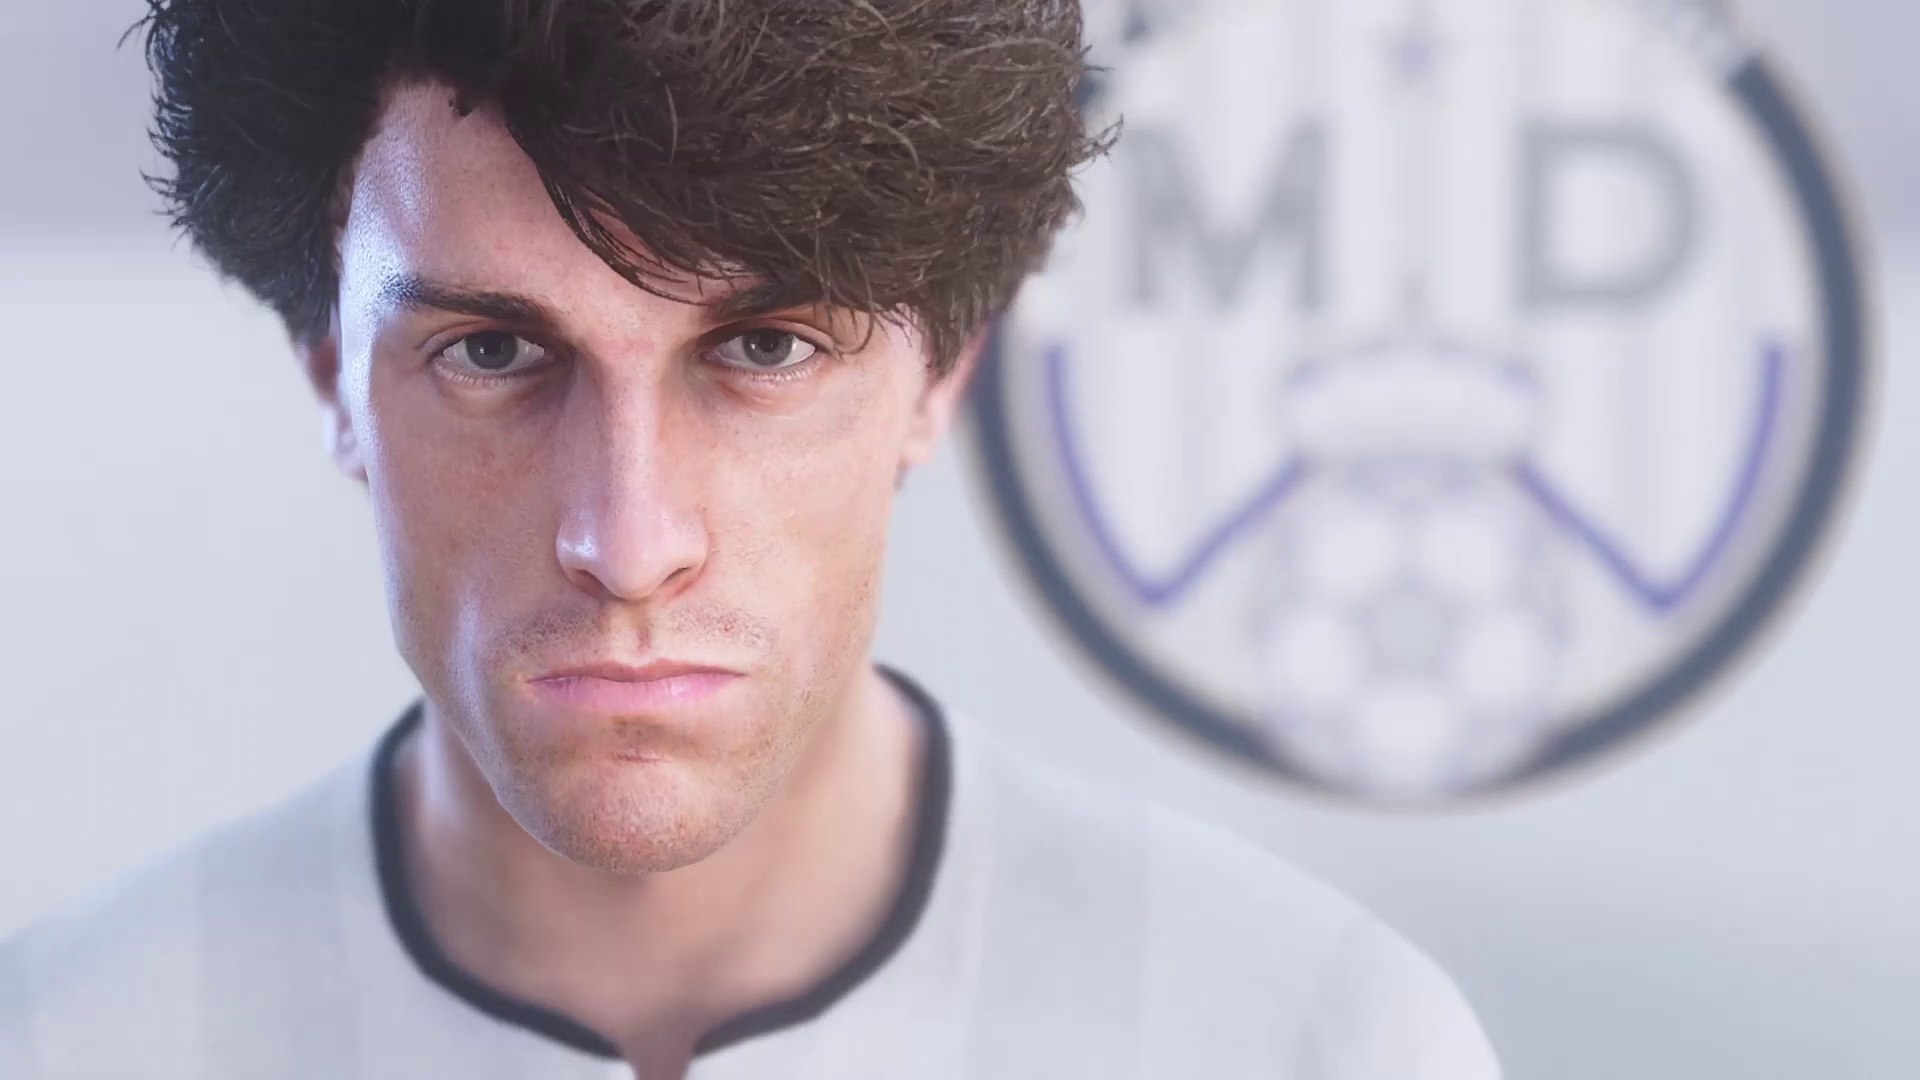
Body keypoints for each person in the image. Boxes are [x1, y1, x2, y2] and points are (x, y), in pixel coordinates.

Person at [0, 1, 1501, 1076]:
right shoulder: (73, 1042)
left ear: (941, 374)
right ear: (336, 378)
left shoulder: (1315, 1038)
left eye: (767, 348)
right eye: (493, 353)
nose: (627, 540)